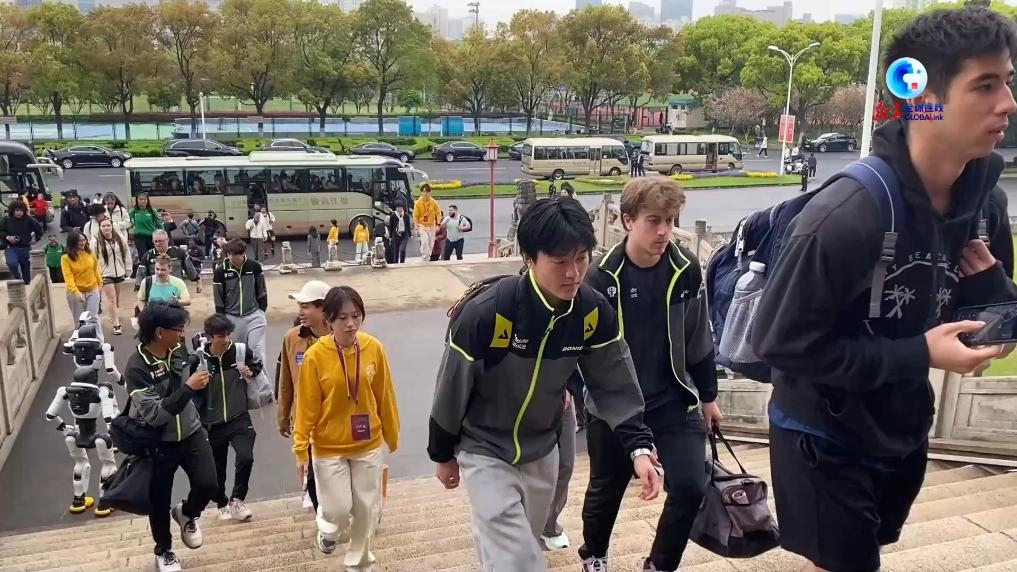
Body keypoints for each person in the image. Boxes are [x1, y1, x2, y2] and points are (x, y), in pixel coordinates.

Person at [751, 8, 1017, 572]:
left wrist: (992, 293)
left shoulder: (985, 204)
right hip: (821, 434)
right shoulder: (848, 214)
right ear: (924, 98)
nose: (1008, 103)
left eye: (1008, 82)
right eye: (985, 86)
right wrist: (920, 353)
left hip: (903, 423)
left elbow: (1000, 314)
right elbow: (781, 343)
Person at [428, 197, 662, 572]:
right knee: (521, 562)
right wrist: (442, 454)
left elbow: (614, 382)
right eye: (559, 261)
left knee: (521, 543)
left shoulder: (592, 312)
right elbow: (451, 388)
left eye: (582, 258)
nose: (574, 273)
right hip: (484, 447)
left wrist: (639, 448)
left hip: (542, 448)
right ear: (529, 258)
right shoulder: (489, 312)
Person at [578, 178, 721, 572]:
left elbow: (699, 336)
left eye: (670, 221)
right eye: (653, 221)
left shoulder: (685, 268)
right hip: (613, 403)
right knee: (607, 486)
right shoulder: (601, 276)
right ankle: (594, 557)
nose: (663, 232)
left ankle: (659, 564)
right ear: (627, 221)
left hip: (672, 396)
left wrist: (708, 396)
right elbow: (582, 350)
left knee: (690, 485)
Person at [293, 286, 400, 566]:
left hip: (367, 444)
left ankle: (359, 562)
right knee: (338, 509)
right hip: (329, 446)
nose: (351, 323)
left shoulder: (373, 348)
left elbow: (385, 395)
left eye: (356, 316)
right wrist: (301, 448)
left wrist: (391, 433)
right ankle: (328, 527)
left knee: (366, 510)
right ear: (328, 320)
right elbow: (306, 407)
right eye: (342, 318)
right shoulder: (316, 356)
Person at [124, 301, 216, 572]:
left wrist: (199, 380)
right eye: (179, 328)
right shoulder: (137, 368)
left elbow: (188, 385)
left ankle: (187, 513)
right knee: (159, 500)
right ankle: (164, 550)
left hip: (192, 432)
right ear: (159, 332)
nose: (183, 333)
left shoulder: (178, 349)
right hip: (159, 443)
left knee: (208, 484)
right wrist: (189, 387)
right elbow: (154, 415)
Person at [196, 314, 263, 523]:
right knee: (217, 468)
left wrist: (250, 372)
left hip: (239, 416)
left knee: (246, 457)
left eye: (228, 334)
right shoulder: (199, 359)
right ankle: (221, 502)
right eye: (220, 336)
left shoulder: (240, 351)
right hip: (212, 423)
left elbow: (257, 364)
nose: (226, 339)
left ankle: (237, 500)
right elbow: (189, 389)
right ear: (209, 337)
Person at [276, 280, 333, 512]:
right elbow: (286, 381)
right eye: (300, 306)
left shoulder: (343, 335)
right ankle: (323, 518)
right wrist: (283, 416)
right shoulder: (292, 338)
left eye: (305, 306)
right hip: (306, 420)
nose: (300, 311)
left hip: (337, 420)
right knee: (310, 474)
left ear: (322, 308)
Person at [213, 239, 270, 384]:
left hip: (254, 315)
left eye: (233, 254)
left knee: (256, 351)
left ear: (242, 253)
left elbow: (261, 290)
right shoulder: (221, 271)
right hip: (232, 317)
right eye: (228, 254)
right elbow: (218, 297)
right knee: (238, 354)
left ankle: (264, 388)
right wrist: (222, 318)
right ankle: (242, 387)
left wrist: (261, 310)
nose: (230, 257)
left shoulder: (254, 267)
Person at [540, 391, 577, 551]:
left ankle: (548, 526)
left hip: (559, 391)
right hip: (516, 395)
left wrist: (569, 386)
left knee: (565, 463)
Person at [60, 230, 103, 340]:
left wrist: (100, 285)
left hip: (92, 289)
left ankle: (99, 342)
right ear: (73, 242)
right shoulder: (65, 258)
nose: (83, 243)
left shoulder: (90, 253)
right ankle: (83, 344)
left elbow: (96, 270)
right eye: (79, 241)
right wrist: (76, 292)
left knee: (93, 318)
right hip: (75, 293)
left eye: (84, 240)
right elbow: (68, 277)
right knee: (80, 321)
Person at [92, 219, 131, 336]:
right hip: (105, 274)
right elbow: (92, 258)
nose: (106, 228)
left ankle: (113, 315)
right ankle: (116, 324)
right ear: (100, 228)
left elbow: (126, 253)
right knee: (111, 298)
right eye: (103, 226)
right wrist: (95, 274)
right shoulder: (95, 241)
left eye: (108, 225)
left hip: (119, 272)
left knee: (116, 299)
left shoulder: (119, 238)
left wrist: (128, 268)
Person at [135, 230, 199, 289]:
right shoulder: (147, 256)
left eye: (160, 241)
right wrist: (138, 286)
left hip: (176, 289)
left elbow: (189, 268)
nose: (158, 243)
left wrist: (198, 281)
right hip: (155, 290)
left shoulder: (179, 252)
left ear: (167, 240)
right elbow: (141, 273)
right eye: (155, 241)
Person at [1, 199, 44, 283]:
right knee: (11, 263)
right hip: (11, 248)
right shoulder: (6, 219)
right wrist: (7, 237)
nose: (19, 213)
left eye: (21, 211)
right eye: (17, 210)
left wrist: (36, 239)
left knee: (26, 270)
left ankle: (26, 283)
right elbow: (1, 231)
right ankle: (17, 277)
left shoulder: (29, 219)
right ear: (12, 210)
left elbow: (39, 229)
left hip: (25, 248)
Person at [413, 184, 442, 262]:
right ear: (421, 192)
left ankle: (427, 256)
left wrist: (438, 224)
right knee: (425, 241)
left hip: (431, 225)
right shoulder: (418, 203)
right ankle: (424, 257)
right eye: (423, 191)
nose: (425, 193)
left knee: (431, 243)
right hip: (422, 225)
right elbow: (415, 216)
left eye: (427, 192)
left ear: (430, 192)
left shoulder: (434, 202)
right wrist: (416, 227)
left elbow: (438, 213)